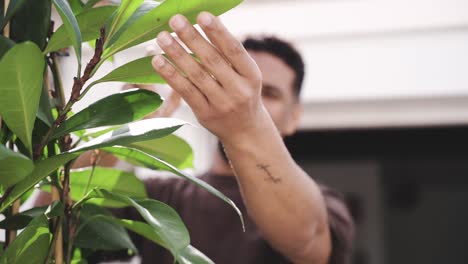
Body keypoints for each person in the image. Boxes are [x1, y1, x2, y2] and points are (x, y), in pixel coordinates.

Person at [38, 12, 354, 264]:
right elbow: (45, 227)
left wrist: (247, 125)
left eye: (267, 94)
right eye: (236, 82)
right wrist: (122, 133)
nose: (247, 97)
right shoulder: (159, 198)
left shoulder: (324, 205)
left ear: (295, 115)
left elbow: (308, 240)